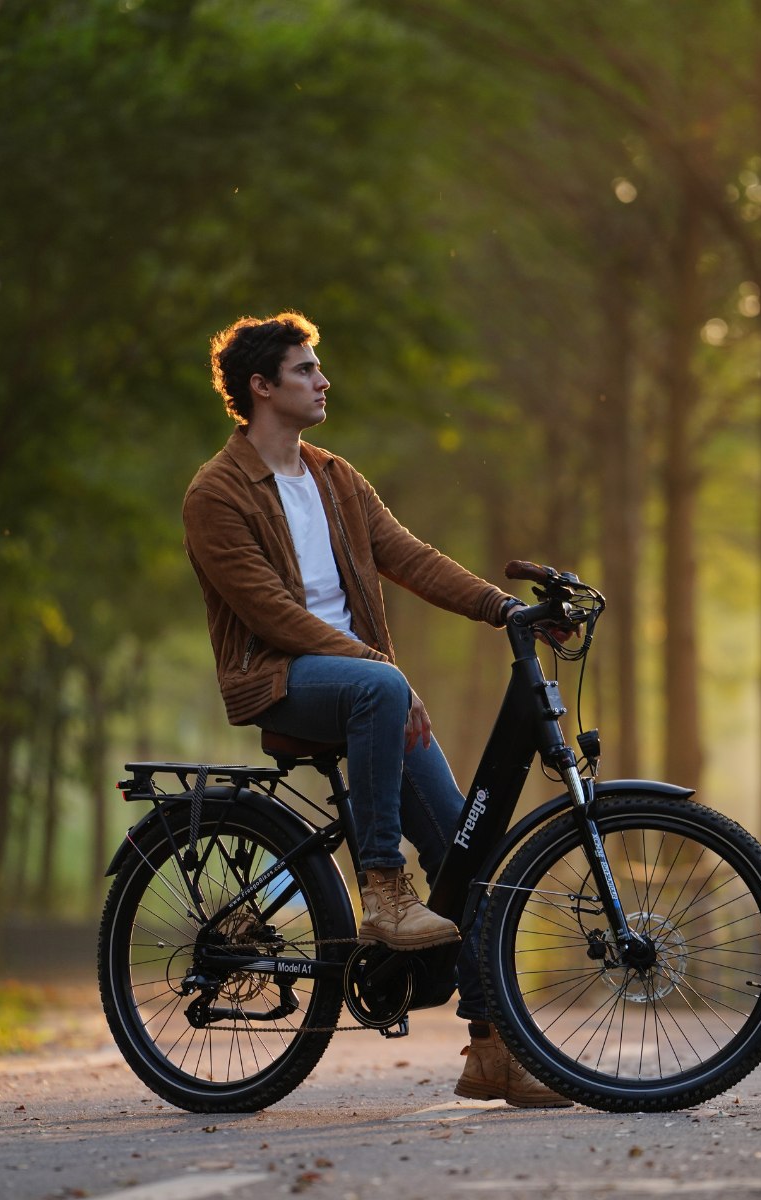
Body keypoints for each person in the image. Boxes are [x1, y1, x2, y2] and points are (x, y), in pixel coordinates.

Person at [182, 311, 572, 1108]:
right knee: (383, 689)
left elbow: (411, 557)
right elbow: (266, 613)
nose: (323, 380)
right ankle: (383, 891)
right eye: (305, 369)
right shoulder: (215, 492)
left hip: (365, 687)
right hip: (280, 680)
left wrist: (506, 611)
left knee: (470, 856)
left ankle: (493, 1051)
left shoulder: (333, 476)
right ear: (261, 387)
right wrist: (379, 673)